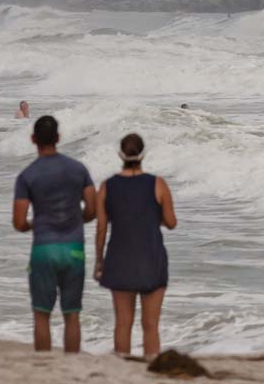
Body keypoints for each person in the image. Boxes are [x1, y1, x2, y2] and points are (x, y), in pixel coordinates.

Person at [12, 115, 96, 353]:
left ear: (33, 139)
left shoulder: (27, 175)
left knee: (41, 315)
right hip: (74, 249)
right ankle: (70, 368)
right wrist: (75, 219)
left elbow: (18, 222)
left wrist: (36, 223)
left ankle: (43, 368)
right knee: (72, 315)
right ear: (58, 138)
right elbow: (92, 208)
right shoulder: (78, 169)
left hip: (43, 249)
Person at [95, 133, 177, 359]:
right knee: (151, 325)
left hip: (119, 259)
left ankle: (122, 369)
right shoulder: (157, 184)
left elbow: (101, 228)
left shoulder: (107, 186)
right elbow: (171, 222)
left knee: (123, 323)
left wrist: (99, 261)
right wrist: (151, 216)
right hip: (151, 258)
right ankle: (151, 369)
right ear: (144, 154)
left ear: (120, 154)